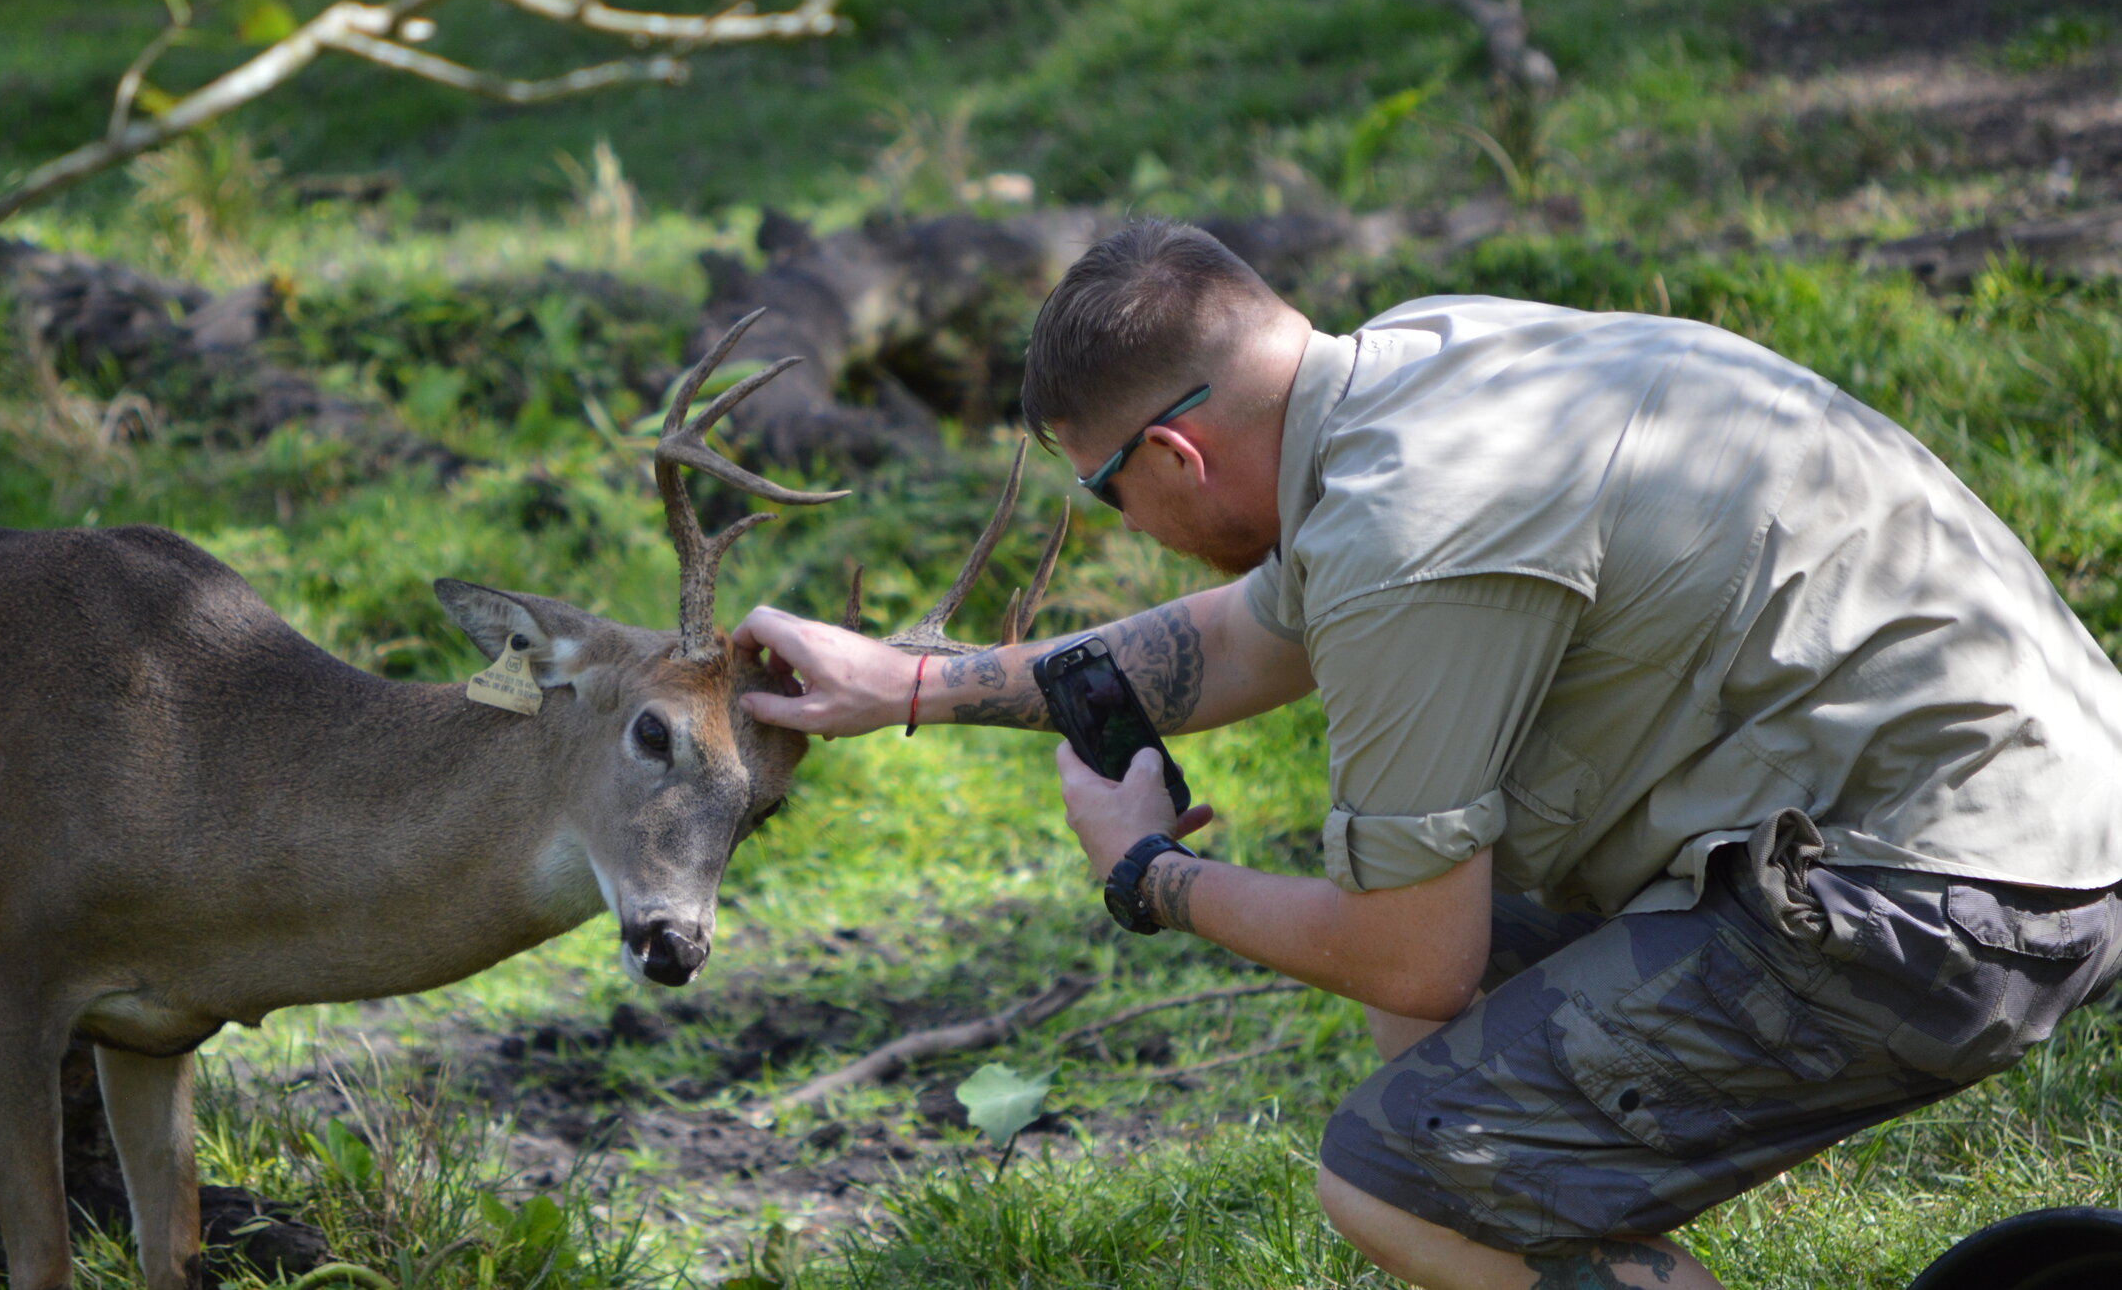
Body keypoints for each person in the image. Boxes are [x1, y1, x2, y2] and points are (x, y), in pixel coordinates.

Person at [729, 221, 2122, 1290]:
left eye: (1107, 490)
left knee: (1396, 1179)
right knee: (1439, 1084)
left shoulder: (1405, 539)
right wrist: (908, 684)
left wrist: (1150, 873)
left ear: (1172, 449)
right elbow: (1233, 639)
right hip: (2039, 804)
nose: (1121, 521)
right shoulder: (1419, 365)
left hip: (1952, 891)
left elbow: (1412, 951)